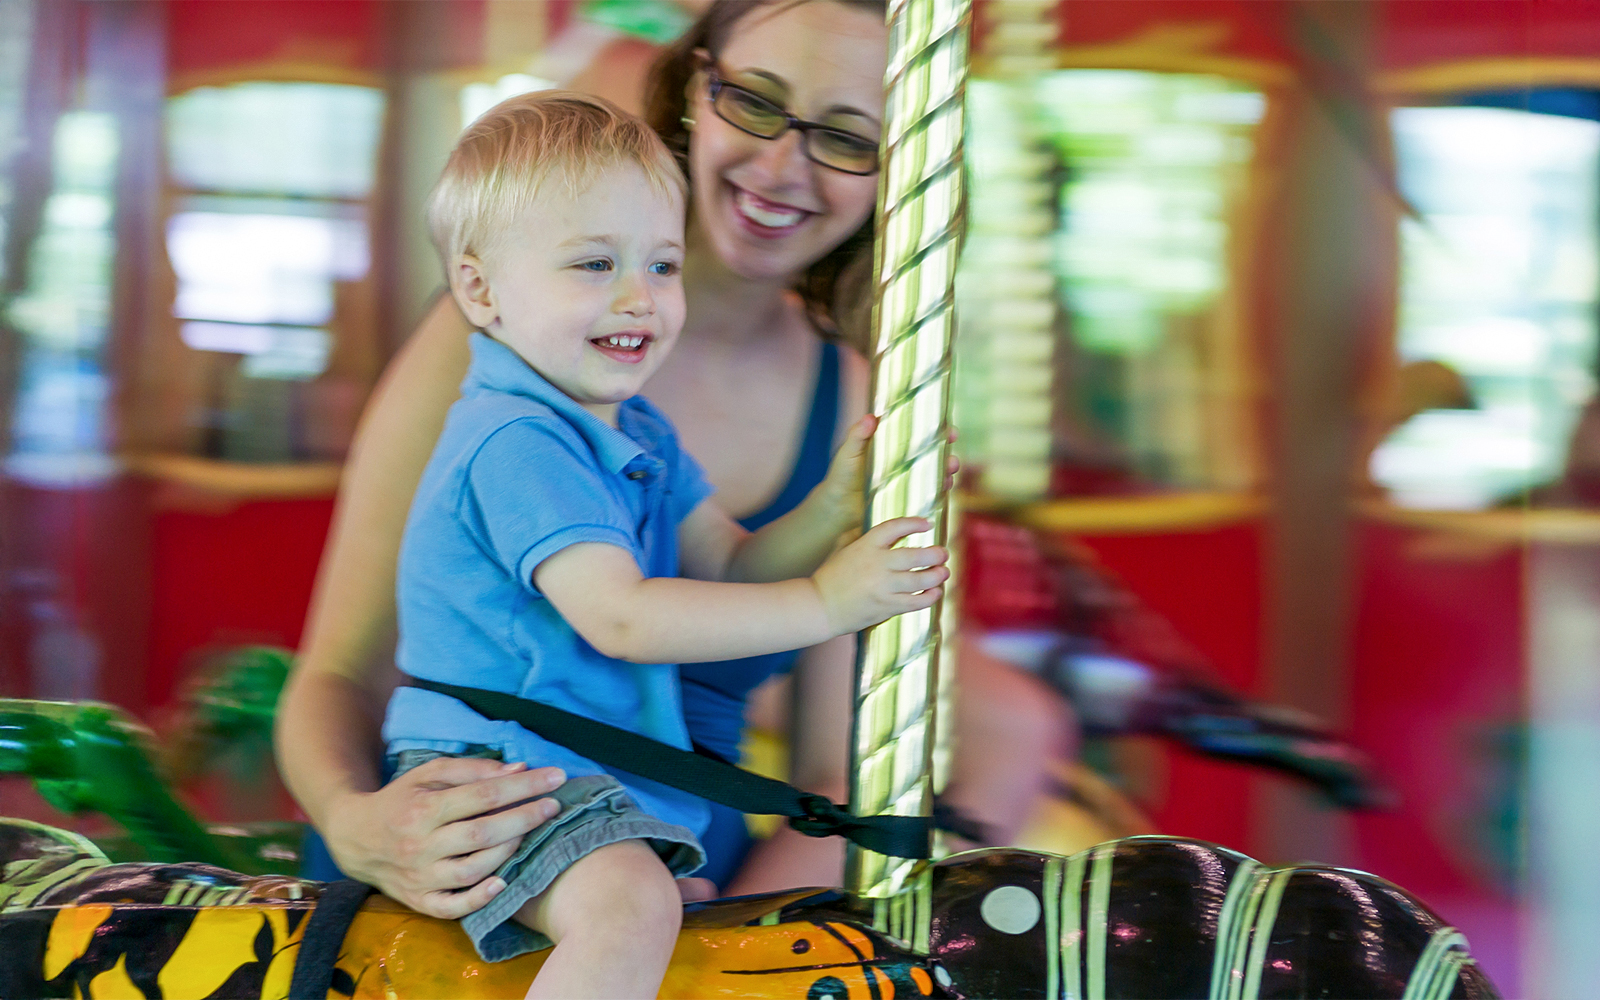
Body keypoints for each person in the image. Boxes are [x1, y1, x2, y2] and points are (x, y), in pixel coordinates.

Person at [275, 0, 1071, 921]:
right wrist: (356, 822)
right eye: (756, 103)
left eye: (847, 139)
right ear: (696, 88)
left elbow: (828, 777)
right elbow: (338, 673)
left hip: (681, 874)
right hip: (453, 850)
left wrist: (715, 958)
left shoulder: (849, 397)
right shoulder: (501, 345)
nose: (781, 167)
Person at [387, 90, 945, 997]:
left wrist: (827, 510)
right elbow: (624, 619)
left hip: (577, 771)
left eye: (662, 264)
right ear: (480, 289)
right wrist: (829, 603)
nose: (637, 298)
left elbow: (724, 563)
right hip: (492, 774)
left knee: (667, 916)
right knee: (632, 912)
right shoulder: (518, 441)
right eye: (594, 264)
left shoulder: (634, 431)